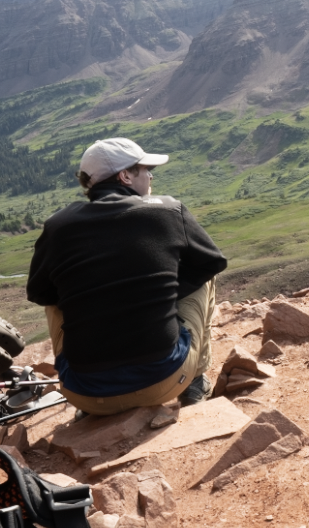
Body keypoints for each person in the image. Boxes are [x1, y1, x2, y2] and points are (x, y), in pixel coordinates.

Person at [27, 138, 227, 413]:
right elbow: (213, 262)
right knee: (204, 276)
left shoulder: (57, 226)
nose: (151, 175)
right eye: (145, 169)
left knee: (56, 296)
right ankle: (194, 382)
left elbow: (38, 293)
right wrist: (159, 293)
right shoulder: (168, 210)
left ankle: (90, 394)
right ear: (125, 176)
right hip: (166, 381)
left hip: (85, 394)